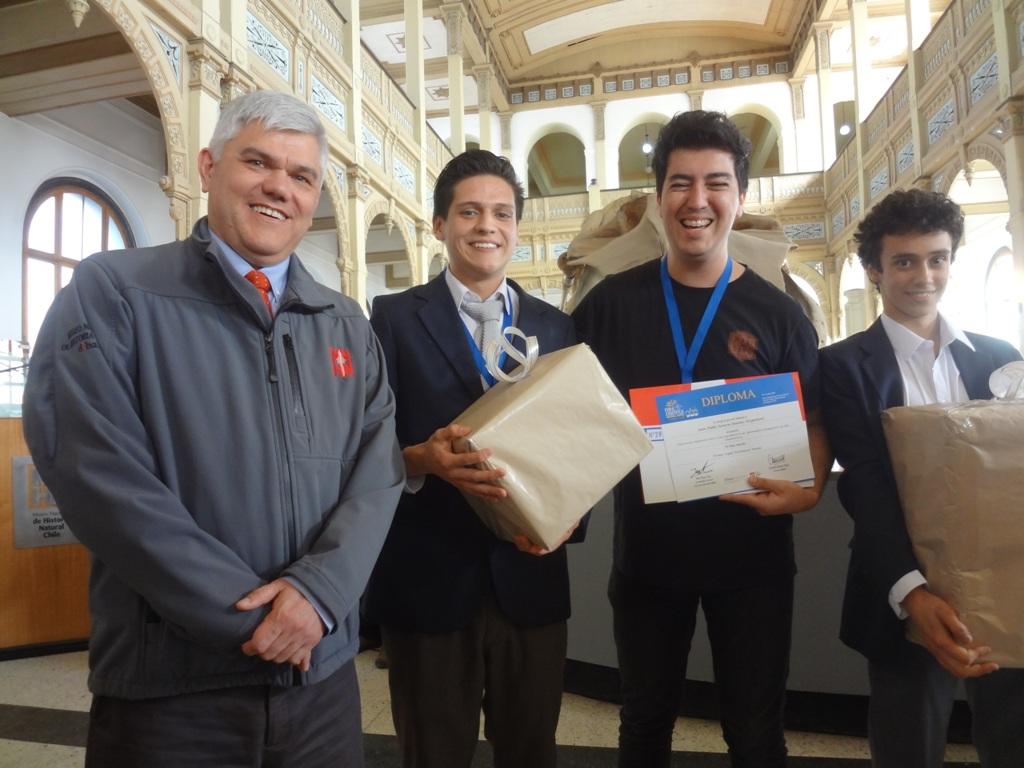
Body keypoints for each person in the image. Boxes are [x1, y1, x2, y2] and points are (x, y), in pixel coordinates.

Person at [22, 90, 404, 768]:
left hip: (320, 685)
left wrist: (318, 597)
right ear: (208, 166)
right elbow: (97, 474)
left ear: (314, 198)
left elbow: (378, 475)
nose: (278, 187)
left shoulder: (346, 324)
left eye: (301, 176)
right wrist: (255, 620)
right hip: (172, 689)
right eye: (257, 162)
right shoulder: (115, 294)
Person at [573, 110, 830, 768]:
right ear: (658, 201)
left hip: (754, 566)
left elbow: (817, 420)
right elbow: (571, 418)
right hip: (648, 564)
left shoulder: (779, 313)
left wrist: (808, 490)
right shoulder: (610, 306)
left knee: (753, 733)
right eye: (680, 183)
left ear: (740, 199)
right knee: (644, 724)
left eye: (716, 183)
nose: (697, 200)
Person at [363, 149, 581, 768]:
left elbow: (577, 439)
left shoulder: (557, 327)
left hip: (531, 575)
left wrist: (568, 519)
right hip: (430, 573)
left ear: (516, 227)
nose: (487, 226)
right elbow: (362, 439)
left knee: (531, 749)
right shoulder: (393, 320)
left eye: (502, 213)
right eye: (469, 212)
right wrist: (417, 460)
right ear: (440, 225)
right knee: (433, 752)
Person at [819, 188, 1024, 768]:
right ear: (874, 271)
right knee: (908, 745)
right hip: (902, 587)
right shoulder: (842, 366)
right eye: (904, 261)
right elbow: (865, 484)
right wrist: (913, 592)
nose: (923, 276)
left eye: (937, 258)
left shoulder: (997, 356)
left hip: (1002, 584)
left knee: (1012, 738)